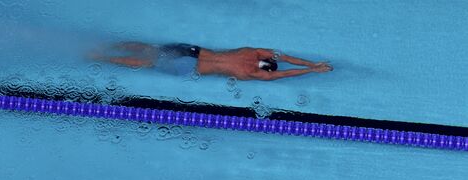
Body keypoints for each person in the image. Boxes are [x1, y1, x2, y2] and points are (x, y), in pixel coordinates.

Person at [89, 41, 332, 81]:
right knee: (147, 62)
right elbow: (285, 72)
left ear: (265, 58)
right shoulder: (256, 75)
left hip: (195, 53)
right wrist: (313, 70)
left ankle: (111, 46)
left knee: (150, 51)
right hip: (193, 64)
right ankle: (104, 55)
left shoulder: (254, 52)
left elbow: (286, 60)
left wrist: (313, 65)